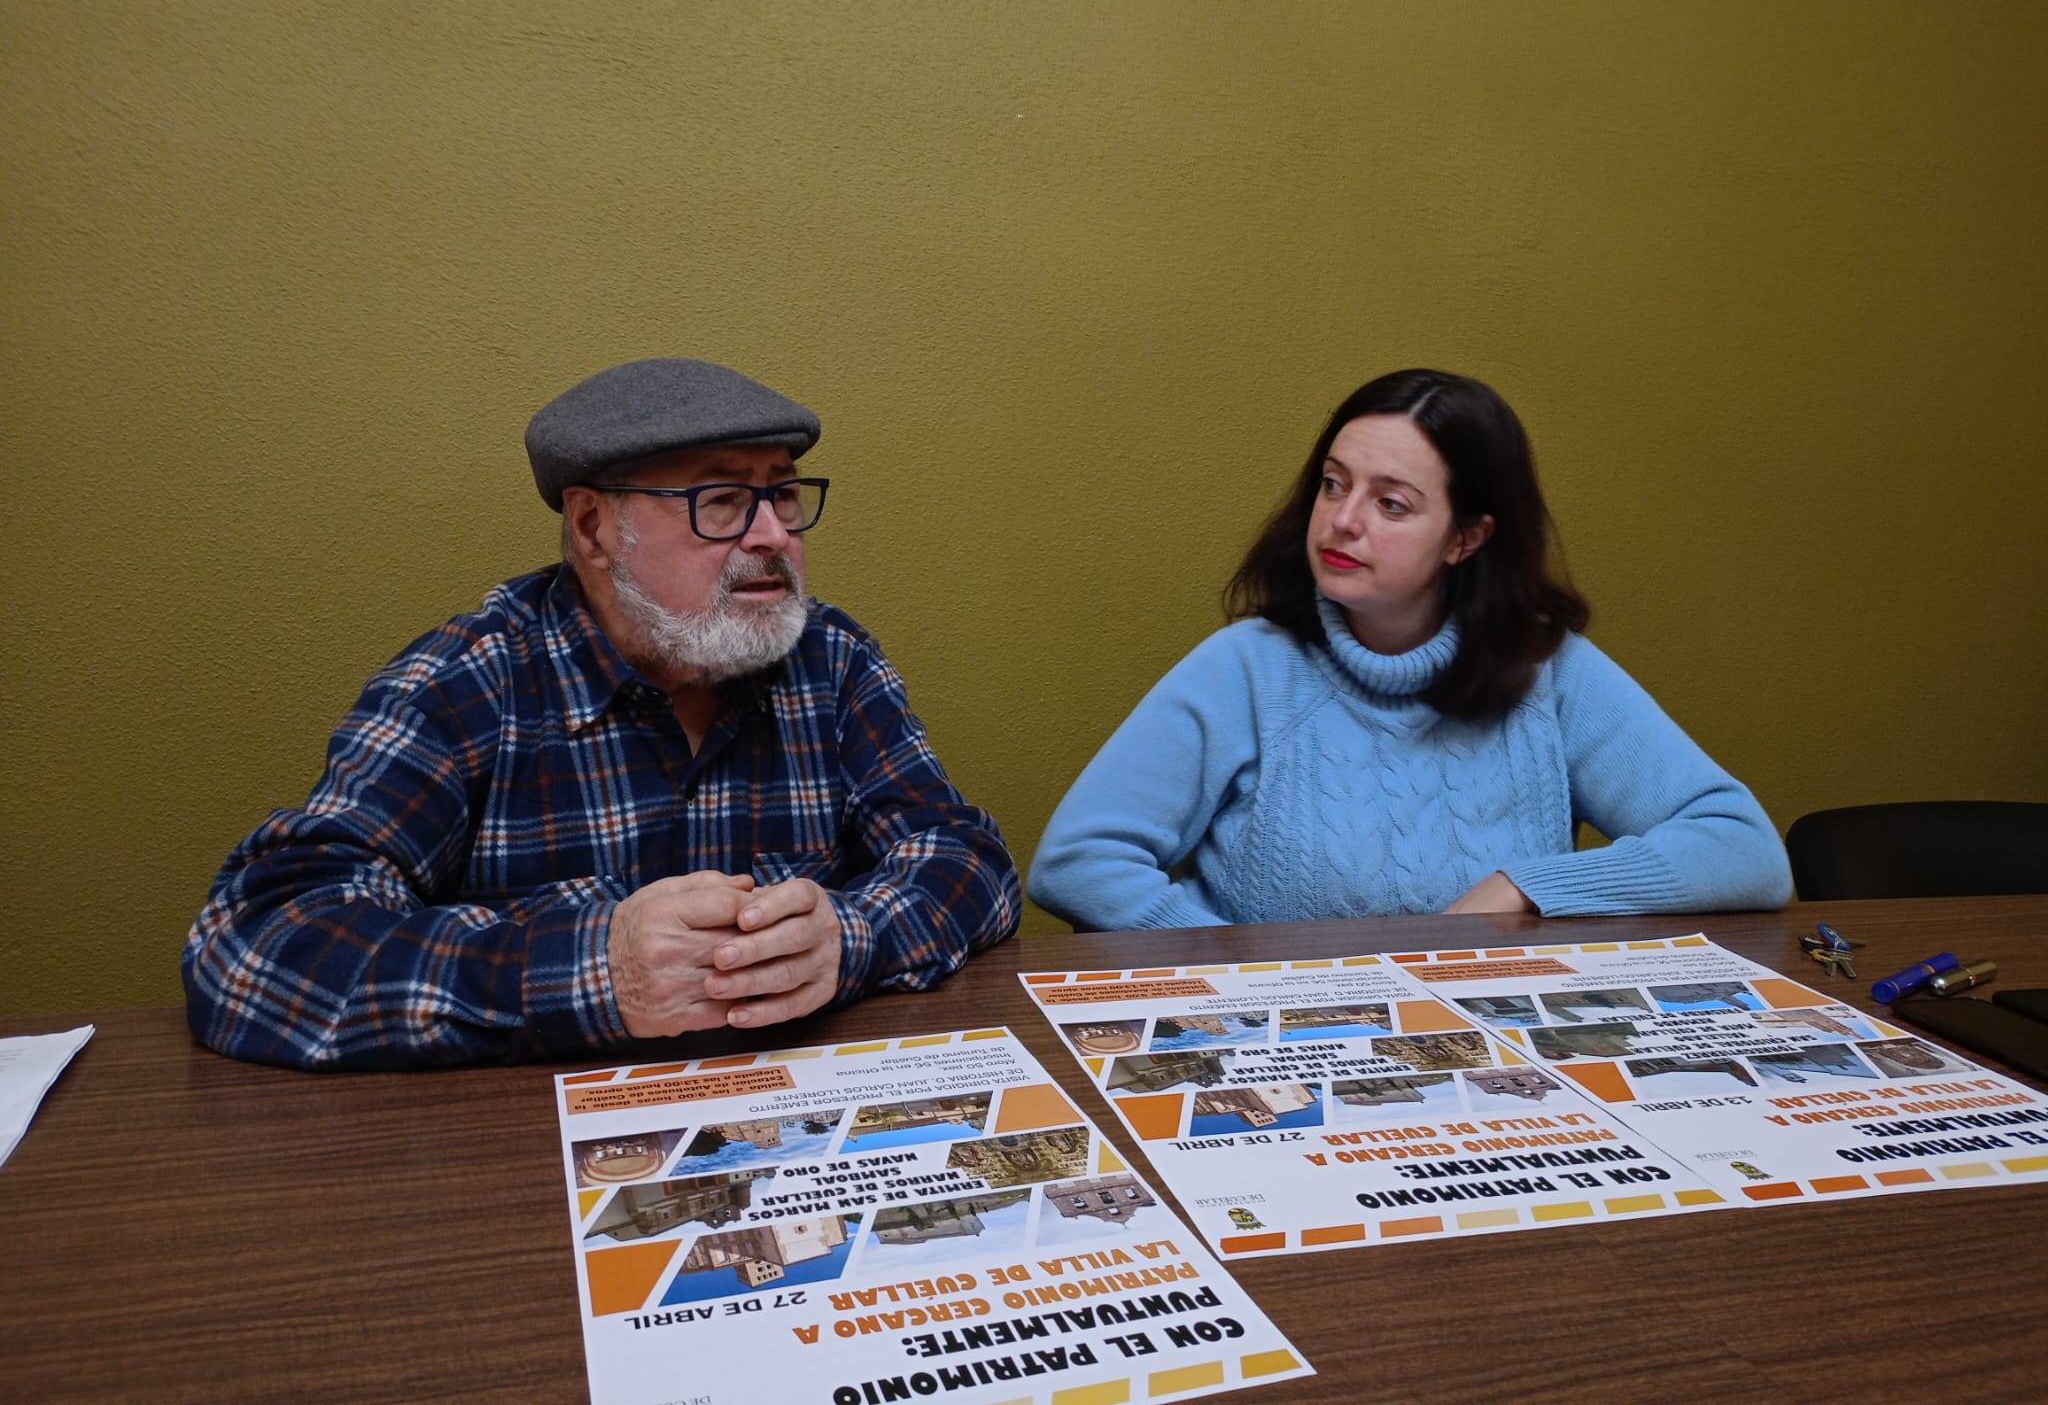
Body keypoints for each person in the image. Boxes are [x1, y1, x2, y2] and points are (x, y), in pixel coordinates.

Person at [184, 357, 1020, 1068]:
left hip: (795, 1118)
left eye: (784, 494)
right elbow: (253, 947)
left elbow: (969, 861)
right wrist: (592, 969)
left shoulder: (829, 659)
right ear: (593, 526)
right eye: (723, 501)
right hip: (527, 1165)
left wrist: (850, 936)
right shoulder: (471, 680)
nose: (773, 535)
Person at [1030, 368, 1790, 929]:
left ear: (1467, 537)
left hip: (1491, 1048)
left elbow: (1745, 850)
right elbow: (1078, 864)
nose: (1343, 521)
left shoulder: (1548, 669)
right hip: (1285, 1044)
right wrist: (1247, 971)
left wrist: (1526, 888)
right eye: (1333, 485)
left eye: (1391, 503)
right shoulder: (1248, 668)